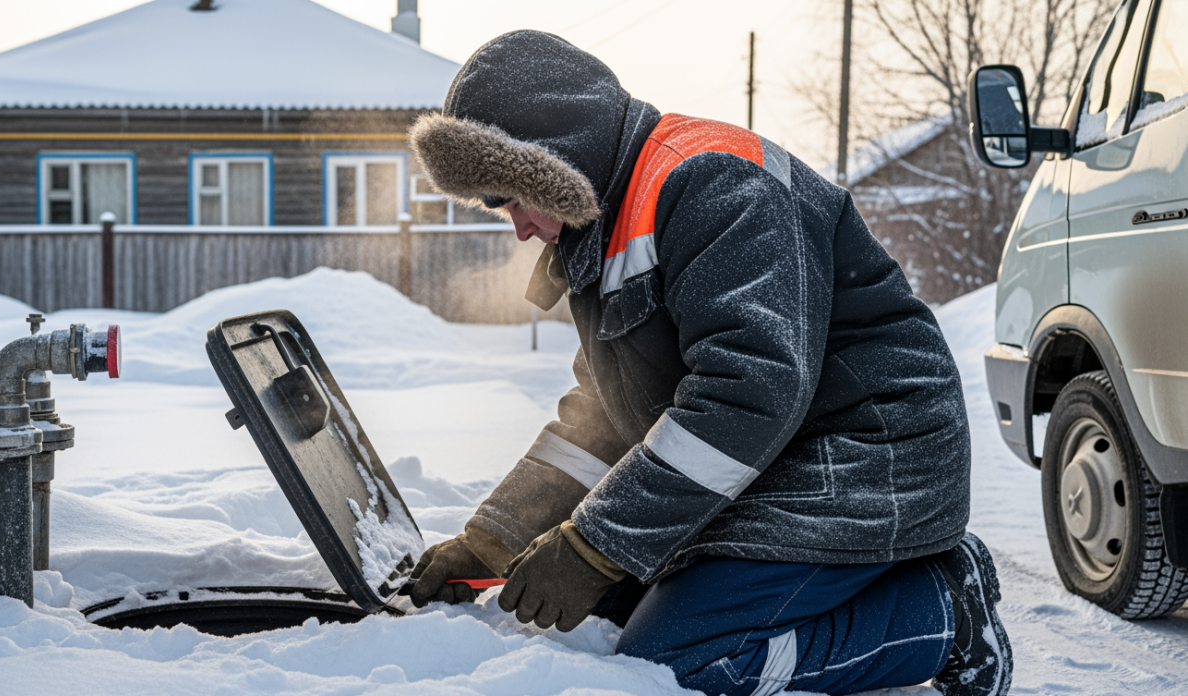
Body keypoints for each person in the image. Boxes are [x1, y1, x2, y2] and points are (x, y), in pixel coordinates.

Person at [405, 30, 1011, 696]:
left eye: (509, 198)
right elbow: (601, 417)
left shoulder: (715, 182)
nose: (517, 227)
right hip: (774, 459)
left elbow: (749, 391)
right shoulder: (609, 224)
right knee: (606, 601)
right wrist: (494, 539)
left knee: (678, 661)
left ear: (555, 161)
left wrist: (596, 543)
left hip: (866, 454)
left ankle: (943, 611)